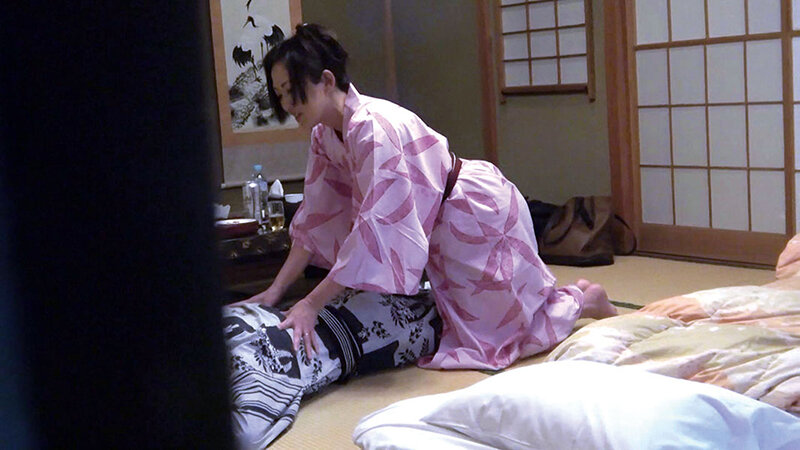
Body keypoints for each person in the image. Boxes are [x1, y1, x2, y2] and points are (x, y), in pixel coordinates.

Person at [225, 23, 616, 446]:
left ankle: (585, 300)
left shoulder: (375, 127)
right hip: (444, 227)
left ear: (326, 80)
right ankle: (573, 298)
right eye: (279, 94)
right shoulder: (325, 135)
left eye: (292, 90)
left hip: (474, 213)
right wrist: (275, 291)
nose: (286, 104)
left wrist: (311, 303)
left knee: (500, 341)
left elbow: (375, 232)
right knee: (480, 332)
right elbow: (317, 217)